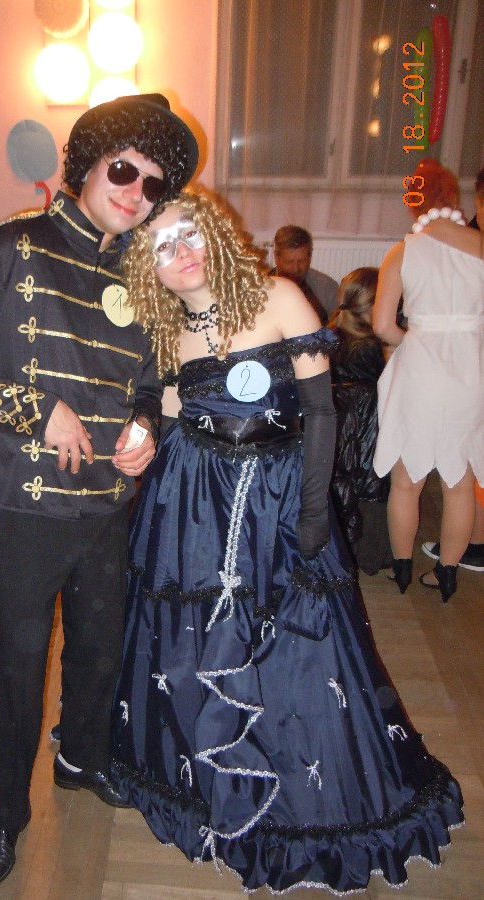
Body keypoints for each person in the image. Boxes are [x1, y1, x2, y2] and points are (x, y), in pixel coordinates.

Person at [110, 190, 464, 894]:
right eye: (160, 248)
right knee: (191, 636)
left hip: (275, 497)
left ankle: (302, 796)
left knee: (294, 642)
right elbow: (164, 403)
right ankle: (202, 778)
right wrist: (142, 429)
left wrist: (310, 513)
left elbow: (320, 413)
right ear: (150, 270)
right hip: (193, 499)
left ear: (215, 235)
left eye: (187, 234)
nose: (179, 253)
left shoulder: (278, 297)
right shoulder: (166, 326)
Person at [0, 93, 199, 890]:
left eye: (151, 184)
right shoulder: (11, 247)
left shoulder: (142, 272)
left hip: (107, 503)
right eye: (122, 171)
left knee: (99, 649)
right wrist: (37, 410)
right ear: (87, 164)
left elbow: (149, 381)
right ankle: (7, 814)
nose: (134, 193)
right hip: (25, 505)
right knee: (16, 665)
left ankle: (80, 758)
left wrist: (144, 425)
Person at [373, 159, 484, 601]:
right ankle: (448, 574)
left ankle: (402, 569)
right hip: (470, 369)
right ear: (453, 197)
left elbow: (383, 325)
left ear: (413, 202)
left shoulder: (403, 250)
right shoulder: (480, 247)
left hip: (421, 369)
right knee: (459, 482)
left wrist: (412, 340)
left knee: (407, 479)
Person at [328, 267, 392, 575]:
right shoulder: (372, 348)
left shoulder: (330, 336)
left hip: (336, 438)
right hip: (368, 438)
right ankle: (373, 553)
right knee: (374, 489)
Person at [270, 224, 338, 323]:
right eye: (289, 262)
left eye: (301, 261)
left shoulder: (327, 288)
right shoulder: (260, 286)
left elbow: (338, 326)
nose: (295, 269)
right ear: (276, 257)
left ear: (310, 257)